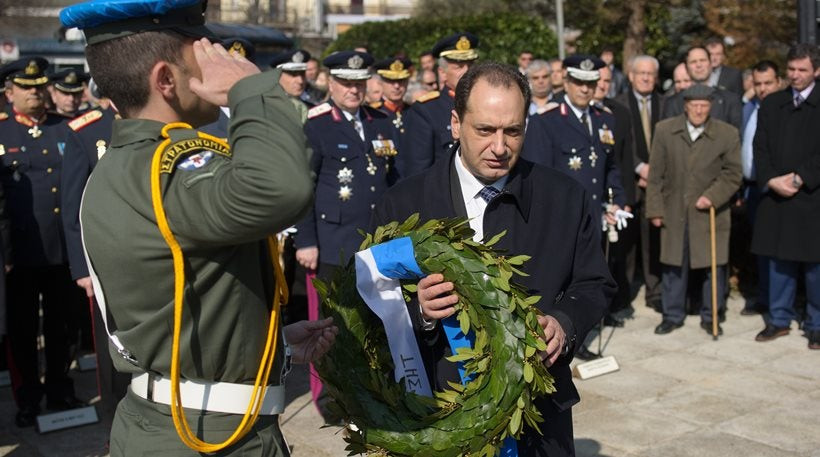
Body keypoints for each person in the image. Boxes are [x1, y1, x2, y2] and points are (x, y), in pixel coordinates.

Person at [60, 1, 338, 455]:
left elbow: (189, 299)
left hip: (192, 420)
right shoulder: (170, 168)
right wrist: (252, 89)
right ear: (166, 80)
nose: (219, 61)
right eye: (202, 54)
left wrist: (270, 347)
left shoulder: (132, 165)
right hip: (205, 439)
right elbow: (283, 190)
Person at [371, 61, 614, 457]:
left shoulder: (565, 198)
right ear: (455, 123)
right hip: (434, 413)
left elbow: (595, 284)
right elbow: (370, 306)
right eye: (484, 130)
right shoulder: (402, 205)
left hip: (537, 415)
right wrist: (420, 311)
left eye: (512, 131)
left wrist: (564, 322)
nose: (500, 147)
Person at [0, 56, 85, 427]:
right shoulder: (2, 132)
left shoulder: (66, 129)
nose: (35, 93)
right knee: (22, 330)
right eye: (26, 87)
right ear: (8, 92)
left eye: (39, 86)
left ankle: (60, 387)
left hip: (61, 249)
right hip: (18, 252)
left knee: (62, 325)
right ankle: (28, 396)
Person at [646, 84, 742, 336]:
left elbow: (733, 174)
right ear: (685, 105)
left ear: (711, 106)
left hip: (710, 212)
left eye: (704, 106)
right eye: (694, 105)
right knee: (673, 263)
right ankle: (672, 314)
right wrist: (655, 209)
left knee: (713, 265)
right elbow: (655, 175)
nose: (699, 110)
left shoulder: (727, 134)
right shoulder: (665, 130)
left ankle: (712, 314)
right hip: (673, 209)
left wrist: (711, 197)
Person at [294, 50, 398, 281]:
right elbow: (303, 187)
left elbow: (393, 178)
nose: (353, 90)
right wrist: (306, 241)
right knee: (335, 315)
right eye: (346, 83)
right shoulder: (317, 124)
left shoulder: (380, 121)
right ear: (331, 84)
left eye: (359, 83)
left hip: (377, 239)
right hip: (334, 241)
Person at [751, 43, 820, 350]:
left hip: (812, 196)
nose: (795, 75)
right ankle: (779, 319)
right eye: (791, 69)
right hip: (776, 195)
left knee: (816, 267)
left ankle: (816, 324)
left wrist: (801, 176)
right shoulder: (772, 103)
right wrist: (771, 179)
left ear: (816, 70)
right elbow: (759, 147)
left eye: (802, 70)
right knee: (779, 263)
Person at [615, 55, 666, 312]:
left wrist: (655, 171)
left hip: (659, 182)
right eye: (641, 73)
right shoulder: (618, 104)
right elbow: (621, 144)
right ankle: (624, 292)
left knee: (654, 238)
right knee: (627, 242)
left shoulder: (666, 104)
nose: (645, 77)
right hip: (631, 181)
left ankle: (654, 291)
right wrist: (640, 167)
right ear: (631, 76)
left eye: (650, 74)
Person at [401, 32, 478, 179]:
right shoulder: (426, 111)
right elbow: (418, 172)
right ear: (442, 73)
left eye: (471, 64)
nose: (467, 71)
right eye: (459, 66)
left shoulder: (485, 104)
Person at [737, 60, 780, 316]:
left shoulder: (784, 109)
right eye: (758, 84)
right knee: (760, 248)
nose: (762, 89)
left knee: (779, 250)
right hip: (751, 188)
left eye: (768, 83)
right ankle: (764, 297)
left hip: (776, 187)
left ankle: (780, 303)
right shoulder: (748, 108)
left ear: (779, 82)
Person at [663, 46, 742, 132]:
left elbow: (735, 137)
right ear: (686, 67)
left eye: (703, 60)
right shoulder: (673, 103)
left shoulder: (730, 100)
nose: (699, 65)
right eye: (693, 62)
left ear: (710, 64)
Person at [270, 48, 314, 123]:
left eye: (302, 74)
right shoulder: (268, 107)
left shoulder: (311, 107)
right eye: (293, 74)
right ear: (278, 75)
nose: (300, 81)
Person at [372, 56, 411, 136]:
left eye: (401, 80)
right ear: (380, 83)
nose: (397, 86)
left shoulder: (414, 111)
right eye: (391, 81)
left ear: (407, 82)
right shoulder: (373, 114)